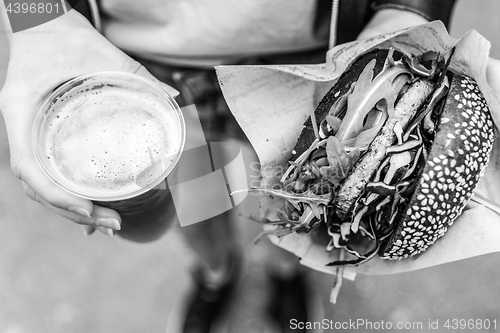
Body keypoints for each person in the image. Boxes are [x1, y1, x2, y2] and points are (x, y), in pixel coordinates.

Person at [0, 0, 466, 332]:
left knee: (300, 198)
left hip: (323, 60)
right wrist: (38, 18)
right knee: (197, 200)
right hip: (142, 71)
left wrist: (407, 7)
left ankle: (286, 275)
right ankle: (217, 275)